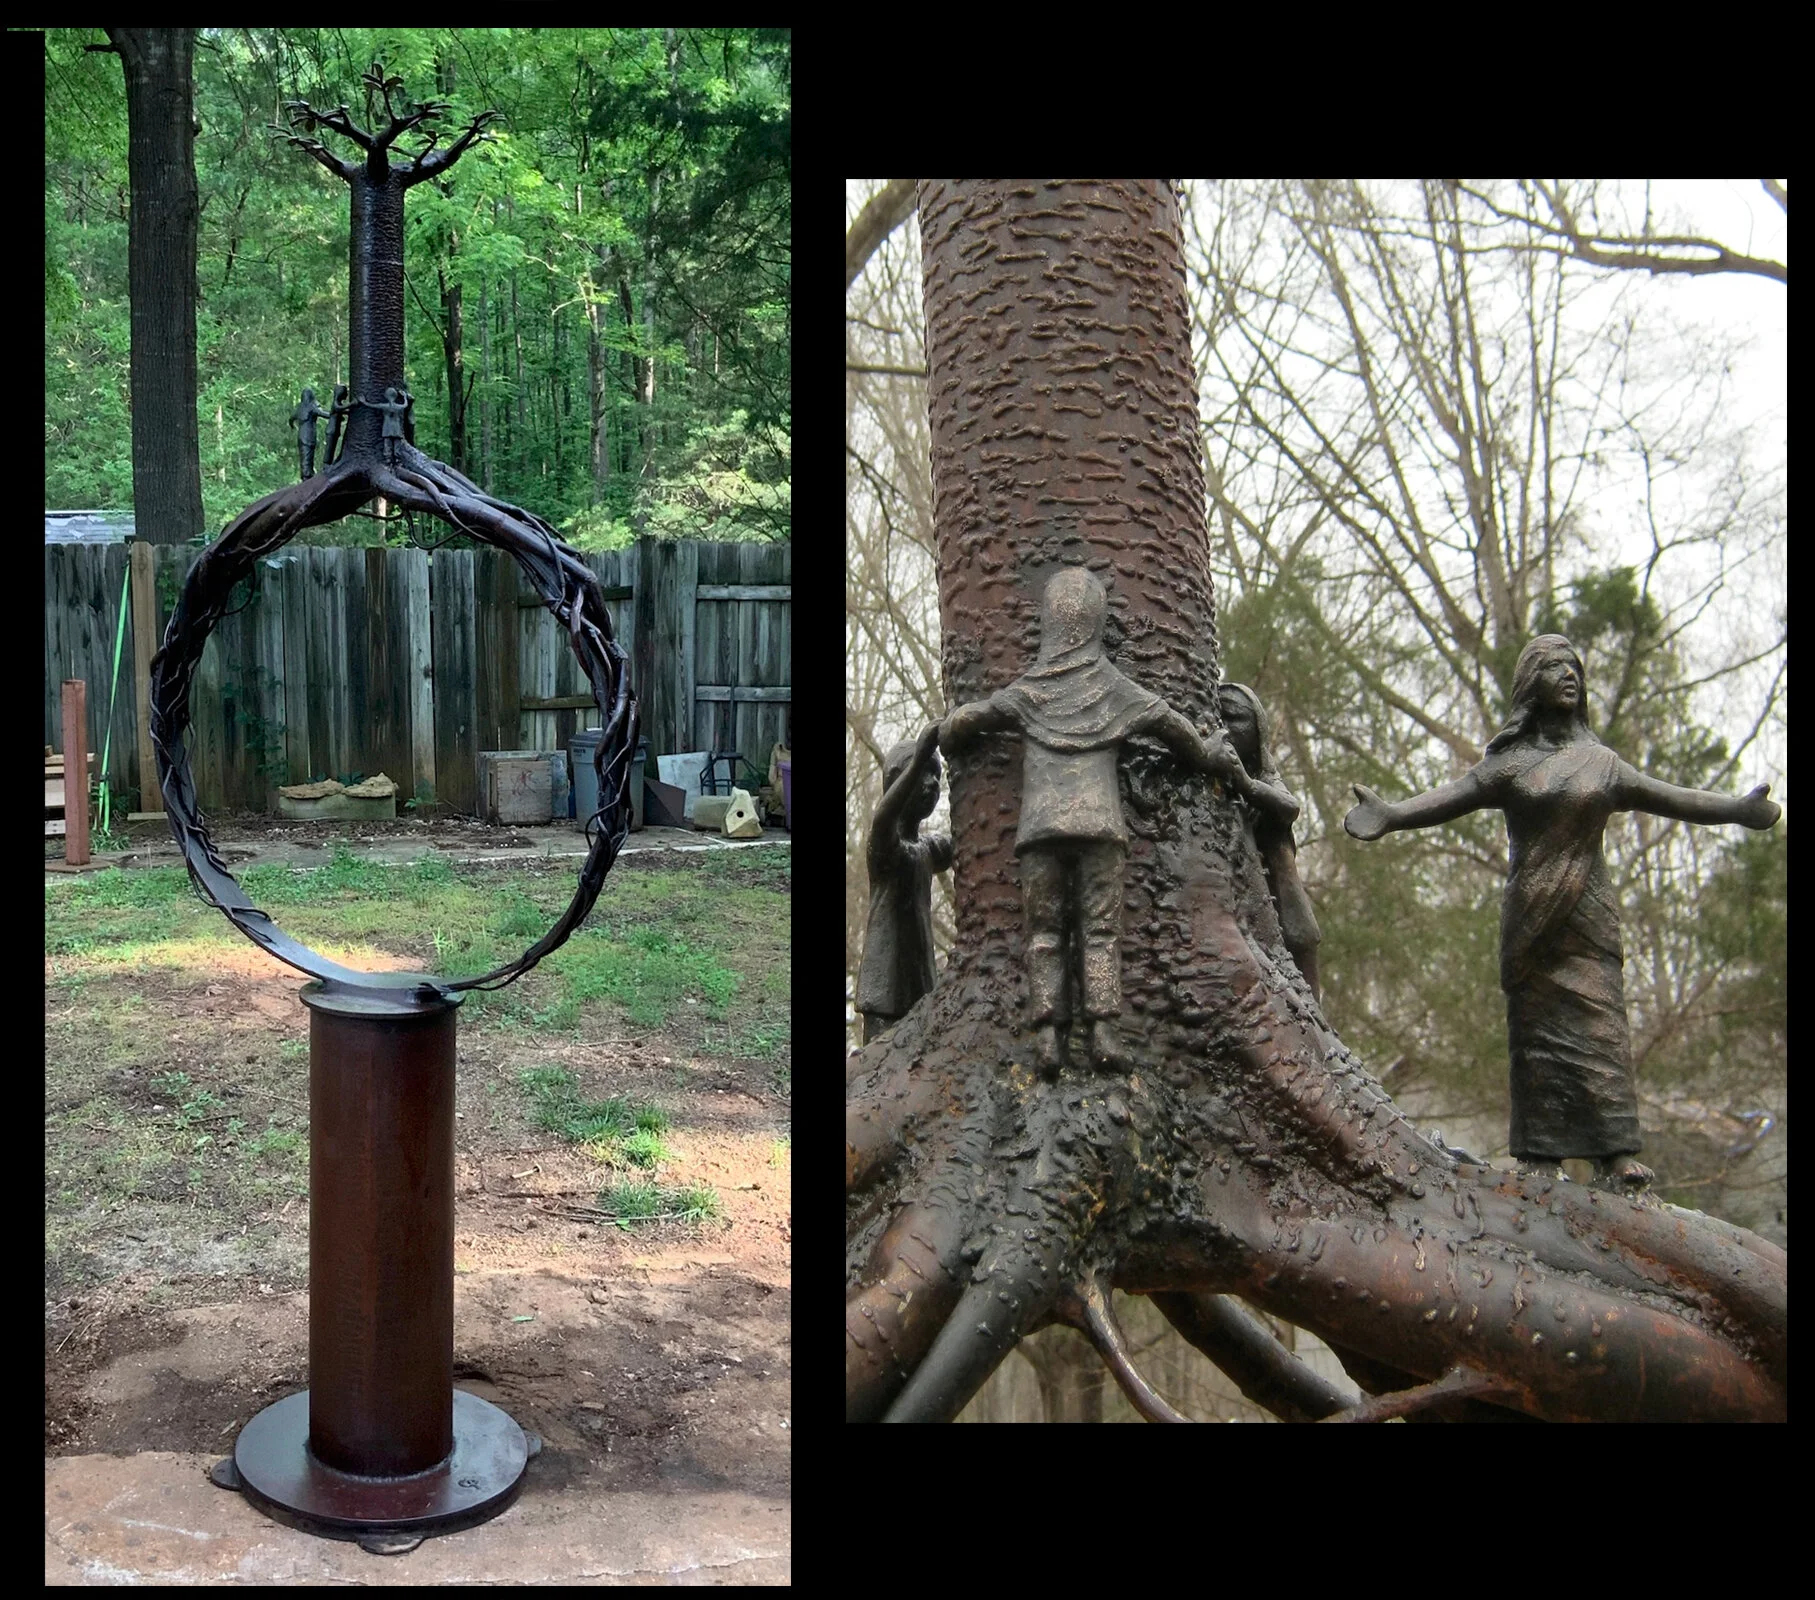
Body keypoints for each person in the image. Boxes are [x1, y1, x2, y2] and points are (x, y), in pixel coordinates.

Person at [1344, 634, 1780, 1189]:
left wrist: (1736, 810)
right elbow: (1449, 797)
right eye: (1554, 667)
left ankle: (1616, 1154)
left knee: (1603, 1029)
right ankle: (1539, 1153)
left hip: (1589, 915)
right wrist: (1392, 814)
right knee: (1535, 1034)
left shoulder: (1602, 763)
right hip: (1531, 919)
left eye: (1574, 666)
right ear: (1532, 682)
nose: (1569, 675)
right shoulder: (1511, 764)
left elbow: (1673, 797)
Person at [941, 567, 1297, 1075]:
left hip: (1040, 829)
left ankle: (1048, 1035)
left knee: (1044, 931)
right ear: (1096, 625)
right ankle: (1103, 1031)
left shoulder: (1030, 690)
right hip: (1100, 828)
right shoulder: (1115, 689)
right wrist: (1209, 755)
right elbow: (1176, 730)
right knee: (1101, 930)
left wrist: (950, 726)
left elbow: (970, 720)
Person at [1219, 683, 1322, 1001]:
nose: (1224, 726)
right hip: (1250, 903)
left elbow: (1289, 807)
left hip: (1285, 897)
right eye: (1218, 716)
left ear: (1257, 729)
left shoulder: (1263, 779)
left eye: (1234, 718)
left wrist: (1247, 784)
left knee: (1303, 958)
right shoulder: (1223, 782)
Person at [856, 724, 951, 1045]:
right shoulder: (886, 847)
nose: (932, 785)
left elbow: (964, 839)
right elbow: (884, 816)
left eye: (936, 776)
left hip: (919, 982)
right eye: (923, 774)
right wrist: (920, 753)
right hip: (885, 988)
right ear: (899, 780)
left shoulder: (926, 849)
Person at [288, 387, 329, 479]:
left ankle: (307, 473)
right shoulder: (311, 407)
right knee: (308, 454)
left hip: (301, 434)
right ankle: (306, 474)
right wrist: (335, 414)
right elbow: (322, 413)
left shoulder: (299, 407)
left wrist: (293, 427)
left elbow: (291, 419)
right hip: (309, 434)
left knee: (305, 454)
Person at [322, 384, 352, 466]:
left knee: (332, 446)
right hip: (332, 429)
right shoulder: (335, 403)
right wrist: (352, 404)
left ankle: (329, 462)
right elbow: (339, 408)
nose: (346, 396)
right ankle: (326, 463)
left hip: (335, 429)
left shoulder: (339, 403)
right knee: (330, 446)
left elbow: (343, 410)